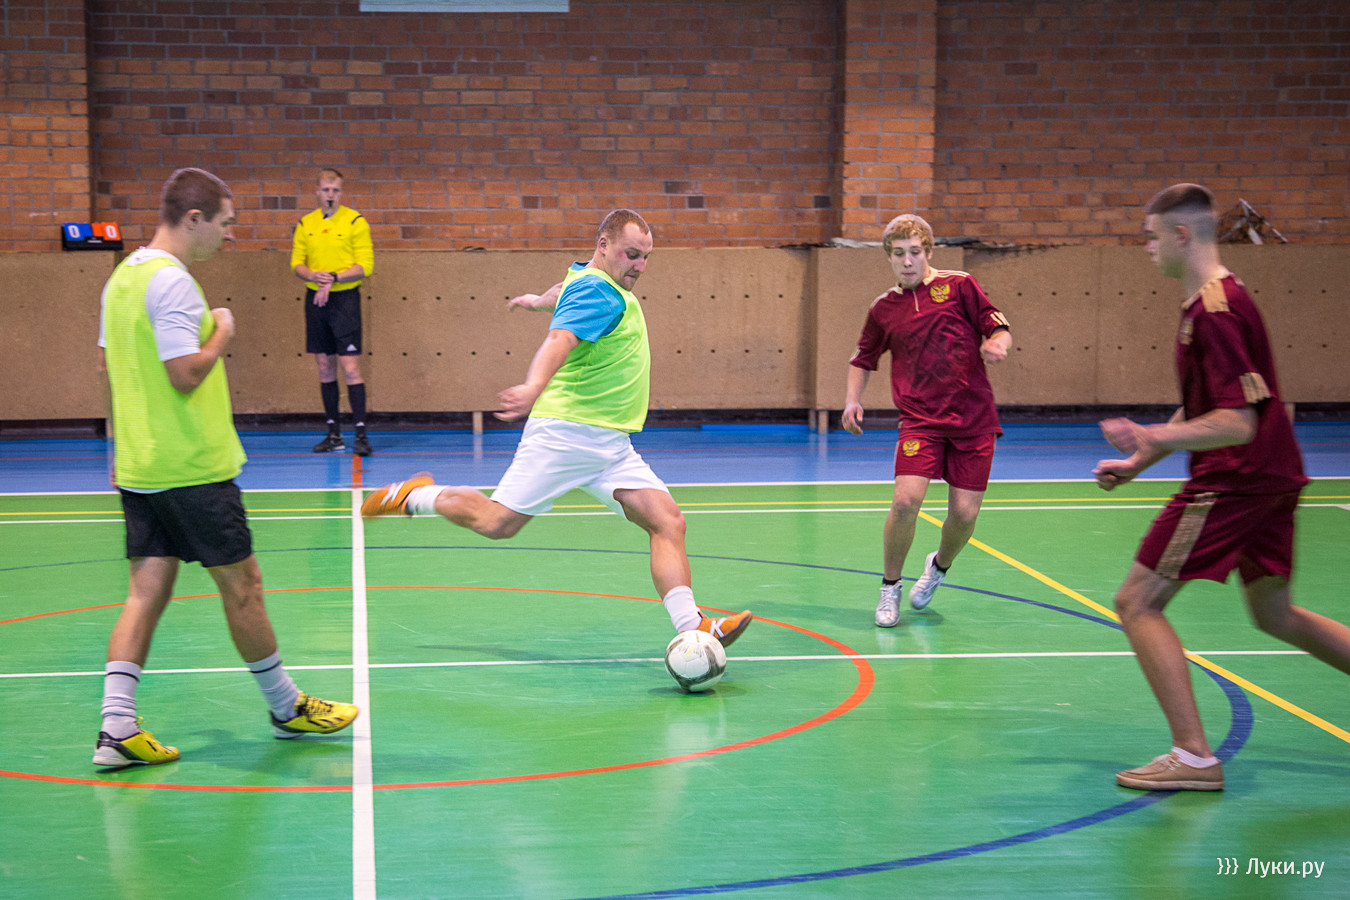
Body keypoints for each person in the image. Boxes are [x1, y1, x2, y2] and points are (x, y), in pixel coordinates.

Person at [361, 209, 752, 652]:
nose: (640, 266)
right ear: (603, 245)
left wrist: (536, 301)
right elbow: (559, 340)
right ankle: (413, 496)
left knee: (667, 521)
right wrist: (533, 386)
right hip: (566, 435)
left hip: (610, 444)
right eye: (631, 255)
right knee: (496, 523)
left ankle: (694, 627)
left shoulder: (586, 278)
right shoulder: (597, 291)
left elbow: (561, 290)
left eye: (646, 257)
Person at [95, 167, 357, 768]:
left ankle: (116, 728)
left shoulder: (122, 279)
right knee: (244, 587)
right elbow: (184, 373)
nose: (230, 234)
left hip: (142, 466)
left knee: (145, 594)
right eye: (225, 223)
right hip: (192, 467)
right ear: (194, 219)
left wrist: (119, 451)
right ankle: (286, 708)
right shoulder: (173, 283)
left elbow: (111, 369)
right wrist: (223, 332)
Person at [1095, 183, 1350, 791]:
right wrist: (1143, 458)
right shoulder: (1210, 303)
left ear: (1181, 235)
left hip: (1234, 481)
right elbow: (1212, 406)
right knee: (1275, 613)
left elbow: (1238, 422)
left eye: (1152, 236)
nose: (1147, 247)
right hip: (1273, 475)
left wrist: (1151, 433)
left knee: (1136, 603)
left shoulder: (1217, 311)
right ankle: (1192, 756)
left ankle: (1193, 756)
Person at [842, 214, 1012, 627]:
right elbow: (862, 359)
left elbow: (999, 326)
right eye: (899, 254)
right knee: (905, 502)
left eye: (915, 252)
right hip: (920, 421)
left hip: (974, 419)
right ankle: (890, 587)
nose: (907, 261)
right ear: (889, 257)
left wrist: (997, 343)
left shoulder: (960, 286)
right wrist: (851, 401)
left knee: (964, 515)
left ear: (928, 252)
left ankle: (938, 567)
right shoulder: (883, 308)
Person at [291, 167, 375, 456]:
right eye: (326, 190)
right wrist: (314, 276)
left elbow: (365, 266)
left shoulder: (355, 222)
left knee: (350, 368)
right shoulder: (306, 224)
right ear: (317, 191)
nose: (330, 195)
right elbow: (296, 263)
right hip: (316, 301)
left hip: (345, 301)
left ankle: (361, 434)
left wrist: (333, 278)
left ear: (341, 192)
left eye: (335, 190)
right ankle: (333, 434)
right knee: (325, 366)